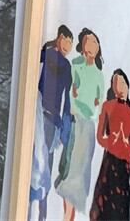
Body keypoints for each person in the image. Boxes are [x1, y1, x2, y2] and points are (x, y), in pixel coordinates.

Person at [55, 28, 105, 220]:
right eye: (88, 41)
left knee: (79, 175)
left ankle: (69, 215)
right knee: (68, 172)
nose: (91, 46)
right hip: (75, 121)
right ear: (82, 45)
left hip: (88, 127)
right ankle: (67, 214)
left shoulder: (98, 75)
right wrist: (81, 106)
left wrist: (87, 107)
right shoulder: (75, 66)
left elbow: (97, 105)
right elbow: (72, 97)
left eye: (94, 42)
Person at [30, 24, 74, 221]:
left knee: (45, 166)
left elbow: (67, 100)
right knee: (34, 162)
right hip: (37, 113)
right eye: (67, 40)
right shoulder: (47, 54)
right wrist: (48, 45)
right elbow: (34, 58)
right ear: (59, 37)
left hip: (52, 121)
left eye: (71, 43)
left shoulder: (67, 66)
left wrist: (63, 130)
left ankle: (42, 215)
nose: (68, 46)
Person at [89, 69, 130, 221]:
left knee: (120, 209)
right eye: (115, 83)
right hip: (110, 162)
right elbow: (100, 137)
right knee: (103, 207)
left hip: (124, 168)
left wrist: (126, 145)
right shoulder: (108, 106)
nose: (119, 87)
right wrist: (112, 142)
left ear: (128, 86)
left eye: (122, 83)